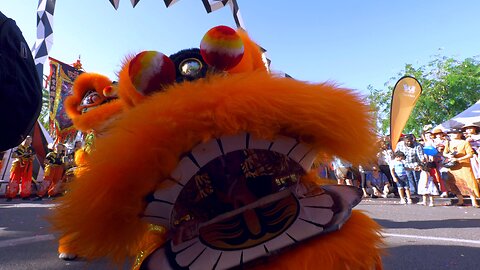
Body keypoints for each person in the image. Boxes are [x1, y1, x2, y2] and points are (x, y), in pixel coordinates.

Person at [444, 128, 480, 208]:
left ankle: (474, 201)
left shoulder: (465, 142)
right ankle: (460, 200)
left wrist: (458, 159)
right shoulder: (448, 143)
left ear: (460, 134)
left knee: (469, 182)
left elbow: (470, 154)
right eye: (453, 133)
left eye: (456, 133)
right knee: (455, 183)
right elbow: (444, 153)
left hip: (464, 166)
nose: (454, 134)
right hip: (453, 166)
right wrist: (449, 156)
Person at [5, 136, 35, 201]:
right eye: (27, 139)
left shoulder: (31, 148)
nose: (28, 141)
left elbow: (33, 157)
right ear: (23, 140)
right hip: (18, 163)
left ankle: (25, 195)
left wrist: (31, 157)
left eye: (30, 140)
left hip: (28, 164)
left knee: (27, 180)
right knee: (14, 179)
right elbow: (13, 156)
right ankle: (10, 195)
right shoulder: (18, 147)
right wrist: (22, 155)